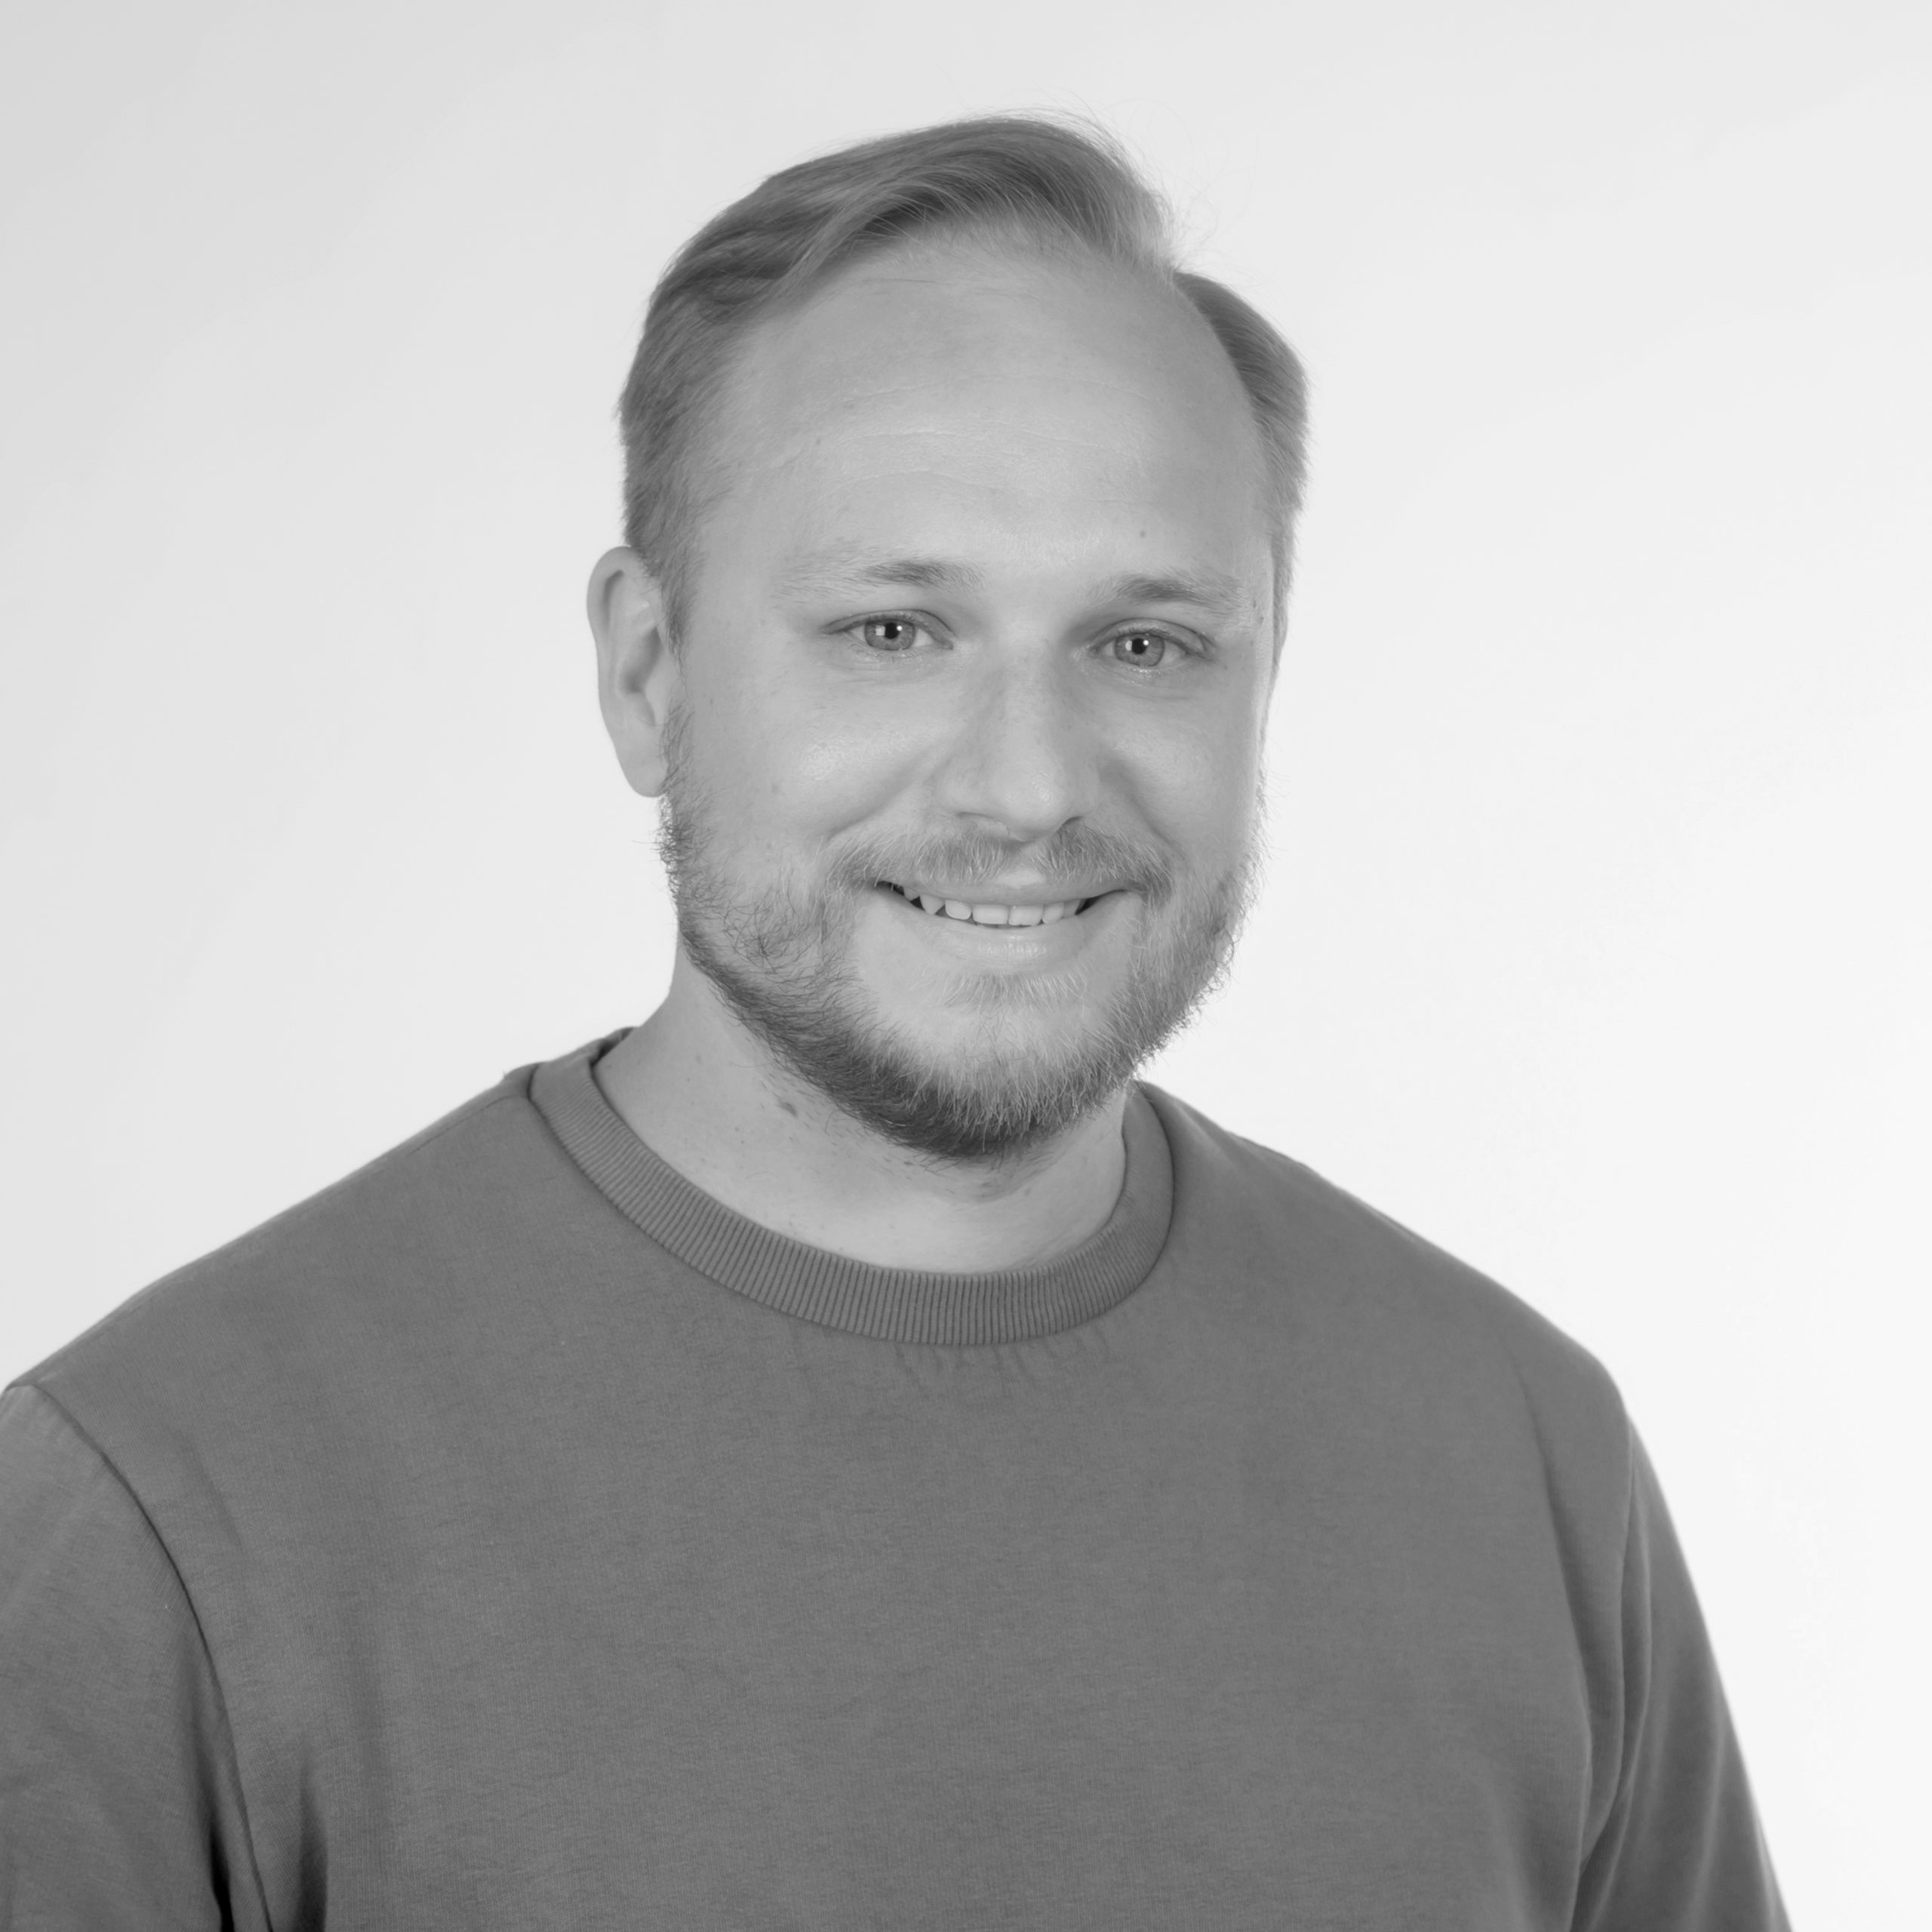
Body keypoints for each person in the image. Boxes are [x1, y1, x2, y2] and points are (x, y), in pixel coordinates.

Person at [0, 116, 1787, 1929]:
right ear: (648, 674)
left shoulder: (1519, 1457)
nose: (1027, 784)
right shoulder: (154, 1518)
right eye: (890, 630)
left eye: (1145, 642)